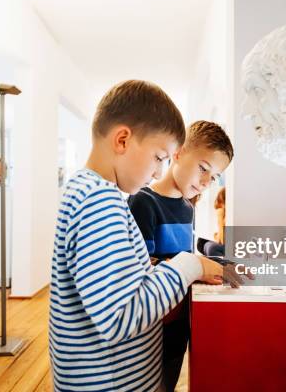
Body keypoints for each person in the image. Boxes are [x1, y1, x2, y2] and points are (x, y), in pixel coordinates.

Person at [50, 80, 224, 392]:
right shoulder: (99, 202)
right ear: (122, 140)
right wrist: (191, 265)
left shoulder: (91, 191)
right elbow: (120, 317)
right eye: (159, 157)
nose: (159, 172)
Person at [128, 121, 234, 391]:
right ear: (179, 152)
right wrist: (198, 267)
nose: (206, 182)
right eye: (203, 168)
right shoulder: (143, 201)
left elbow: (184, 255)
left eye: (214, 176)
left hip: (178, 325)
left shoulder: (187, 208)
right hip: (150, 330)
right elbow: (144, 270)